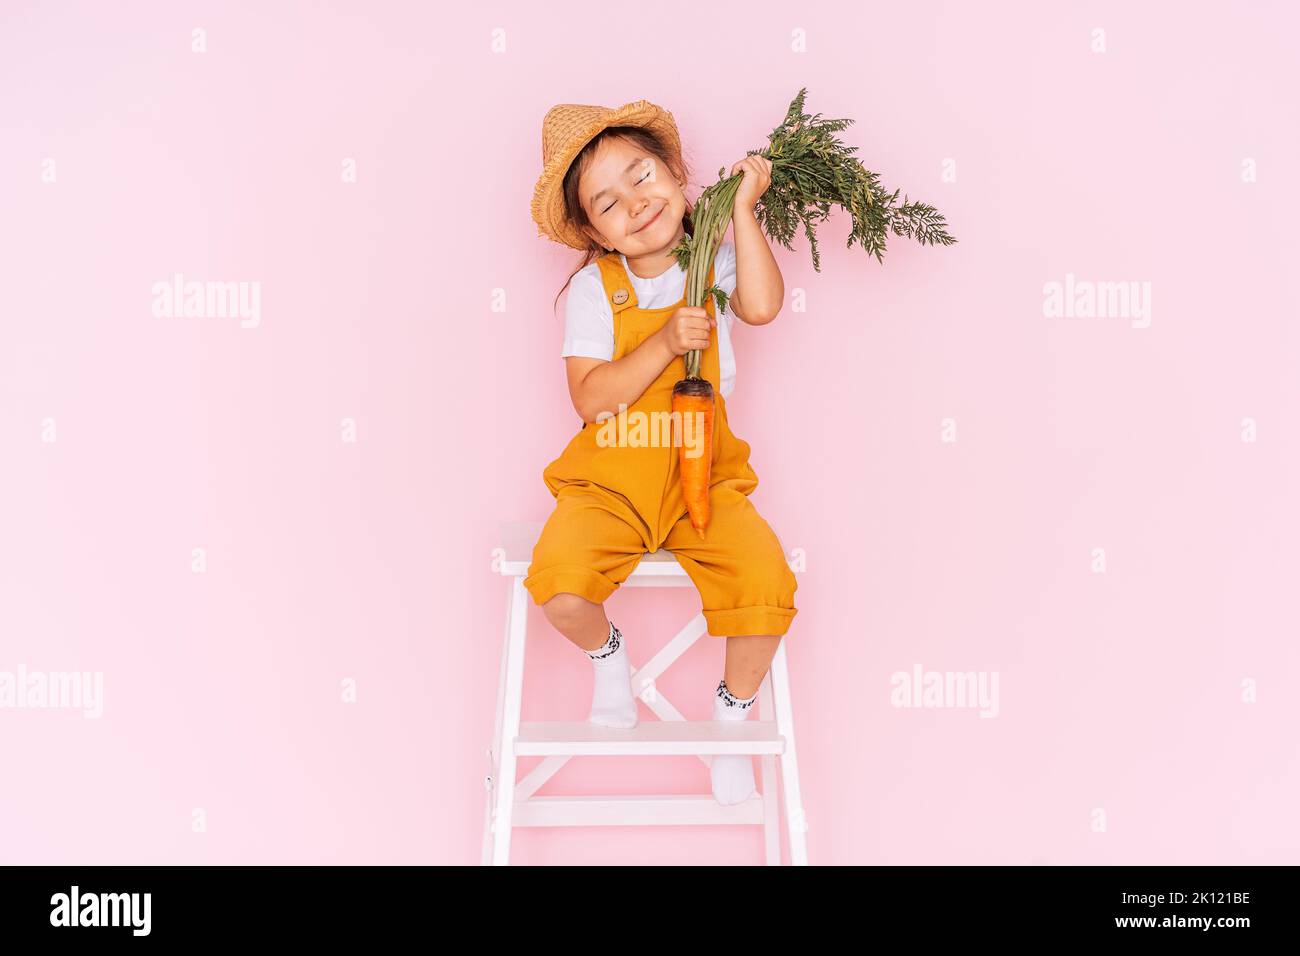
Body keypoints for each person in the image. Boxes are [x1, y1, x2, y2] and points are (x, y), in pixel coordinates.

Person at [524, 98, 798, 806]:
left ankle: (730, 721)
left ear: (677, 174)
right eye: (608, 203)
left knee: (766, 585)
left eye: (642, 175)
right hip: (613, 478)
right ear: (593, 232)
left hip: (703, 473)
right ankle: (609, 660)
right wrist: (664, 343)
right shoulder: (595, 288)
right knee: (559, 586)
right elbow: (591, 399)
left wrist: (742, 211)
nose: (636, 203)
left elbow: (764, 307)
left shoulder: (714, 263)